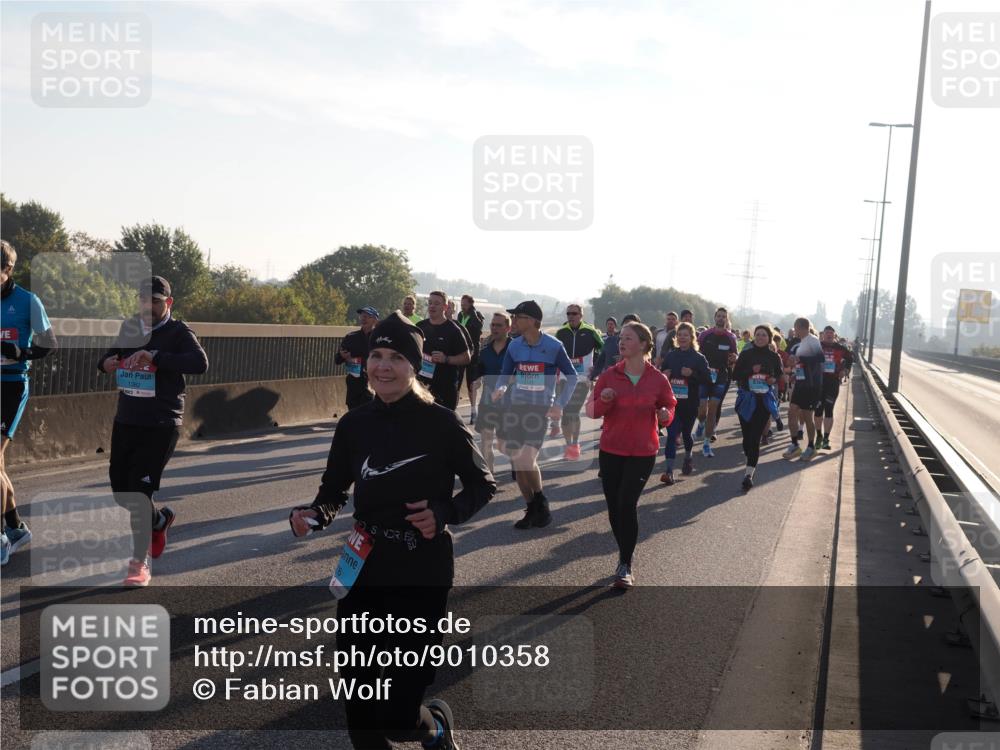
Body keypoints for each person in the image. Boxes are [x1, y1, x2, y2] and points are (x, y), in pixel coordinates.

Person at [289, 312, 494, 750]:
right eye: (376, 355)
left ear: (415, 366)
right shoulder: (354, 424)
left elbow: (483, 484)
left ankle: (434, 724)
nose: (382, 366)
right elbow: (333, 489)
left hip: (421, 566)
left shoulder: (442, 423)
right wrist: (314, 514)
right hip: (364, 563)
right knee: (360, 701)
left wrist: (445, 511)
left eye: (396, 357)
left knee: (398, 717)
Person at [98, 275, 208, 586]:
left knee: (138, 492)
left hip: (160, 423)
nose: (148, 307)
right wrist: (106, 363)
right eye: (144, 300)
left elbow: (200, 363)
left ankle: (138, 562)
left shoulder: (179, 332)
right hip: (127, 418)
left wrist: (156, 357)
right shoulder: (131, 326)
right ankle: (159, 520)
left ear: (168, 303)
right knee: (121, 491)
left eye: (155, 302)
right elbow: (109, 356)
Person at [587, 322, 675, 588]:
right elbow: (591, 412)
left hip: (642, 451)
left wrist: (665, 416)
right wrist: (605, 400)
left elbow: (669, 406)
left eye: (628, 338)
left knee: (627, 503)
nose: (622, 342)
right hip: (611, 449)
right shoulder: (610, 375)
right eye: (621, 338)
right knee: (614, 508)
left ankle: (625, 562)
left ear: (644, 344)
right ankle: (626, 548)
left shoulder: (657, 379)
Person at [492, 300, 577, 529]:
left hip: (539, 410)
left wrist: (560, 403)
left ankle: (541, 500)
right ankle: (532, 508)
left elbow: (572, 377)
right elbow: (504, 373)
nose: (514, 321)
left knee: (526, 459)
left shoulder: (554, 346)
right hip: (516, 407)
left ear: (532, 321)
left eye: (518, 317)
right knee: (518, 463)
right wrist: (500, 388)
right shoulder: (514, 346)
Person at [0, 240, 57, 566]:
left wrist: (21, 353)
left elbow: (50, 344)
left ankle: (3, 540)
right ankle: (16, 528)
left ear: (7, 271)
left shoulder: (27, 301)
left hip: (10, 387)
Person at [733, 326, 784, 490]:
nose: (760, 337)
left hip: (763, 401)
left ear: (769, 338)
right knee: (747, 439)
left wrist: (772, 380)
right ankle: (750, 458)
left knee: (755, 438)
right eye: (758, 335)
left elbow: (779, 375)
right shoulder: (747, 354)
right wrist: (750, 371)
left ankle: (749, 474)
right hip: (746, 399)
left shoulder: (774, 357)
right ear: (754, 337)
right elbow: (735, 375)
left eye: (764, 335)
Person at [659, 322, 710, 484]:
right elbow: (661, 376)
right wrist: (664, 375)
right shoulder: (671, 356)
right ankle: (669, 471)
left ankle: (688, 456)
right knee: (672, 435)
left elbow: (708, 380)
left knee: (687, 434)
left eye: (685, 335)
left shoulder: (698, 358)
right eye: (680, 335)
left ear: (692, 338)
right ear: (676, 338)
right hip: (673, 403)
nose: (682, 338)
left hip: (690, 403)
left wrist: (692, 374)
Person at [554, 303, 604, 460]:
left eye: (574, 314)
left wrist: (595, 368)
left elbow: (604, 350)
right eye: (569, 313)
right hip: (564, 377)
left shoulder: (590, 332)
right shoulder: (561, 332)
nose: (571, 316)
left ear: (581, 315)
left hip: (582, 379)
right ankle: (568, 444)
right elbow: (553, 353)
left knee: (572, 411)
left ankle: (574, 444)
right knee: (565, 413)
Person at [695, 308, 739, 457]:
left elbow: (735, 356)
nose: (721, 319)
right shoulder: (704, 334)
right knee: (702, 410)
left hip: (721, 376)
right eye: (718, 316)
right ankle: (701, 424)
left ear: (727, 319)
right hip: (704, 375)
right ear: (714, 317)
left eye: (723, 317)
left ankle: (706, 443)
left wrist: (734, 359)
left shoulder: (731, 337)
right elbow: (696, 350)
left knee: (713, 408)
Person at [416, 292, 471, 411]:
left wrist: (446, 359)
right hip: (421, 386)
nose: (432, 306)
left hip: (445, 389)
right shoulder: (420, 327)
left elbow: (466, 357)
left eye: (436, 303)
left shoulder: (453, 330)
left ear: (445, 307)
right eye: (430, 303)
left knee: (442, 427)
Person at [474, 312, 512, 476]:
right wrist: (475, 380)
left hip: (510, 404)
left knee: (504, 445)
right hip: (488, 402)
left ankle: (518, 462)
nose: (494, 328)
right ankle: (489, 476)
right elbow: (479, 370)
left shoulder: (517, 348)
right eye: (492, 325)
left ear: (508, 328)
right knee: (485, 440)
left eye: (499, 325)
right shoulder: (484, 349)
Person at [782, 317, 824, 461]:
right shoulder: (800, 343)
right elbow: (802, 365)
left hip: (812, 386)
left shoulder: (813, 340)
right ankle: (794, 444)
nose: (794, 331)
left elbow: (820, 359)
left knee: (807, 417)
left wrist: (801, 360)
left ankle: (811, 447)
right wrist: (795, 373)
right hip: (800, 383)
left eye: (795, 328)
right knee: (791, 412)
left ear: (801, 327)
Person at [813, 326, 854, 450]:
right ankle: (819, 436)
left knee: (829, 409)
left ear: (834, 335)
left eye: (831, 333)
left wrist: (845, 370)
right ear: (823, 335)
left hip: (833, 382)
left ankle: (826, 438)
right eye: (827, 333)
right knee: (818, 411)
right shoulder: (817, 346)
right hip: (818, 383)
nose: (829, 335)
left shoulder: (841, 348)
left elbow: (850, 359)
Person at [335, 306, 379, 412]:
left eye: (367, 316)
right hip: (354, 385)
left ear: (375, 320)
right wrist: (342, 356)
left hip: (372, 383)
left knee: (368, 418)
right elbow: (337, 360)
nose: (363, 319)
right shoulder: (351, 337)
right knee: (354, 419)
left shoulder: (379, 338)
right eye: (362, 316)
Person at [457, 295, 485, 425]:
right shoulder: (460, 315)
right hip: (461, 353)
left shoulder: (476, 316)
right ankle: (453, 410)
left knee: (471, 383)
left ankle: (474, 411)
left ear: (471, 304)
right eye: (461, 303)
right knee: (456, 381)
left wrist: (474, 313)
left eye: (465, 304)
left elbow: (478, 329)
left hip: (473, 354)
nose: (462, 306)